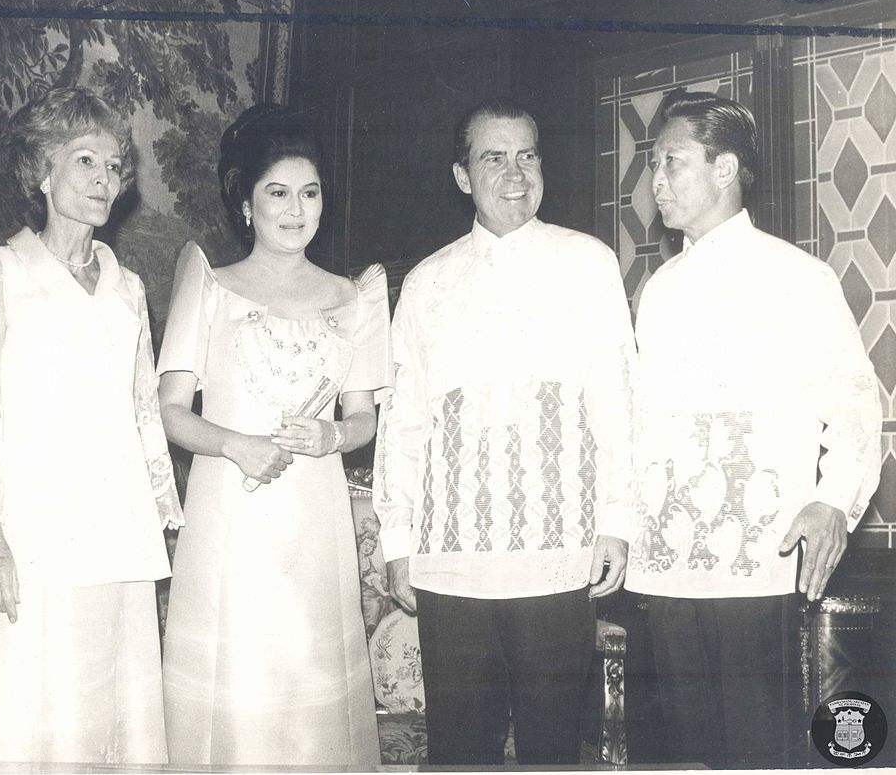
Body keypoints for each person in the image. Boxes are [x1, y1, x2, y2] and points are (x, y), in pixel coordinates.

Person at [0, 86, 184, 774]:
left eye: (114, 166)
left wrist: (157, 515)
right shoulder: (4, 271)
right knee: (17, 712)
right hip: (28, 532)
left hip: (112, 532)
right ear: (41, 172)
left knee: (103, 713)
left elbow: (141, 414)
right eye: (85, 161)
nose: (104, 180)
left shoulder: (129, 288)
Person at [372, 97, 637, 766]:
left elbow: (618, 399)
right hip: (450, 560)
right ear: (463, 175)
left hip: (557, 550)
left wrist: (617, 517)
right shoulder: (428, 282)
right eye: (494, 157)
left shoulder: (588, 262)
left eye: (528, 155)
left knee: (552, 748)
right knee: (462, 751)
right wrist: (398, 539)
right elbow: (404, 420)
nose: (515, 173)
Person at [626, 88, 882, 768]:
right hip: (668, 566)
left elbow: (857, 402)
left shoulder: (799, 278)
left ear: (724, 167)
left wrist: (832, 498)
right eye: (653, 165)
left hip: (759, 562)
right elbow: (642, 423)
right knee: (683, 751)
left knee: (757, 750)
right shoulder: (658, 290)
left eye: (671, 162)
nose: (655, 183)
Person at [157, 104, 392, 768]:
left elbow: (365, 419)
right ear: (246, 203)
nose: (297, 209)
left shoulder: (354, 298)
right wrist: (236, 443)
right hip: (231, 515)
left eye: (310, 192)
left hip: (313, 519)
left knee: (307, 684)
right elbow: (170, 410)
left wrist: (331, 435)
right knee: (238, 685)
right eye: (278, 193)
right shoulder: (209, 285)